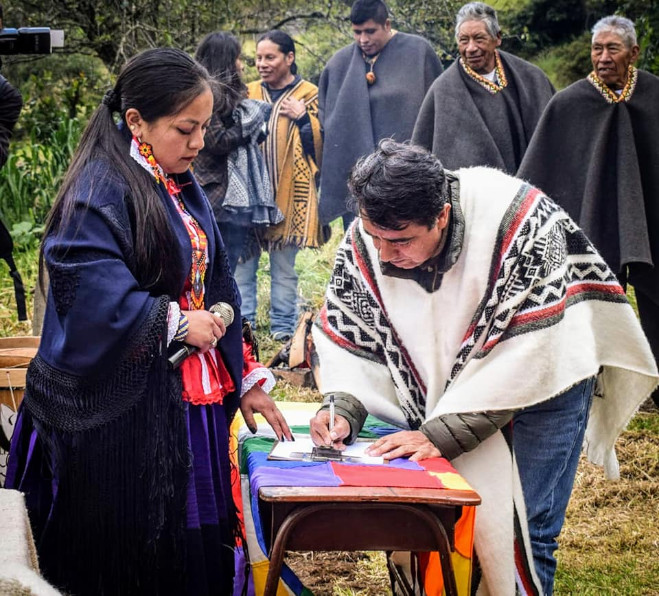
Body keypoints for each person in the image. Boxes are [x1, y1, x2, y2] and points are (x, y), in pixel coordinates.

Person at [310, 140, 658, 595]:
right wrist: (342, 408)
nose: (384, 254)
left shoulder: (520, 221)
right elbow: (353, 341)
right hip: (452, 392)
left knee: (523, 529)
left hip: (548, 380)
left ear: (442, 216)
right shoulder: (370, 237)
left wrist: (435, 436)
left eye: (399, 241)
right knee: (437, 518)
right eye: (375, 238)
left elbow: (529, 355)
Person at [6, 47, 292, 596]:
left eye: (205, 127)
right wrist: (175, 323)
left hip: (186, 404)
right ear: (136, 120)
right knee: (132, 554)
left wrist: (246, 374)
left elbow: (216, 282)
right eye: (186, 128)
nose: (199, 143)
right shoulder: (97, 191)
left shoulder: (176, 181)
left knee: (189, 552)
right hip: (123, 421)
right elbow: (87, 295)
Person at [518, 15, 659, 409]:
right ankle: (591, 383)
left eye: (613, 49)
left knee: (655, 302)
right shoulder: (569, 103)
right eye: (597, 49)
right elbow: (541, 171)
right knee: (592, 301)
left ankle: (654, 383)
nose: (603, 57)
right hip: (590, 223)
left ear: (633, 52)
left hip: (650, 223)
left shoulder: (653, 94)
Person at [318, 0, 443, 229]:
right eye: (357, 32)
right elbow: (325, 120)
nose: (363, 40)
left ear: (387, 24)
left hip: (407, 178)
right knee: (361, 249)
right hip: (359, 180)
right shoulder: (339, 64)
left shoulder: (418, 52)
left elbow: (440, 113)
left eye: (370, 31)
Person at [238, 30, 324, 342]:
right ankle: (243, 327)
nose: (262, 63)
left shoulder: (309, 94)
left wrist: (304, 120)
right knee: (242, 266)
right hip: (247, 199)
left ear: (289, 58)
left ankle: (283, 329)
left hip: (290, 198)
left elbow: (322, 146)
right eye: (258, 58)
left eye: (269, 57)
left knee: (284, 270)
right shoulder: (246, 92)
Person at [412, 2, 554, 173]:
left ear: (497, 38)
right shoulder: (442, 91)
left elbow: (554, 138)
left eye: (479, 39)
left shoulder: (530, 77)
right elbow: (423, 155)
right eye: (464, 40)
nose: (471, 48)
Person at [194, 32, 282, 272]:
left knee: (223, 270)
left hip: (231, 201)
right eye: (237, 58)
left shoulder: (228, 93)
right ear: (225, 60)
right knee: (217, 271)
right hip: (218, 198)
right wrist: (250, 123)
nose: (241, 65)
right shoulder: (205, 94)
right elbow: (216, 140)